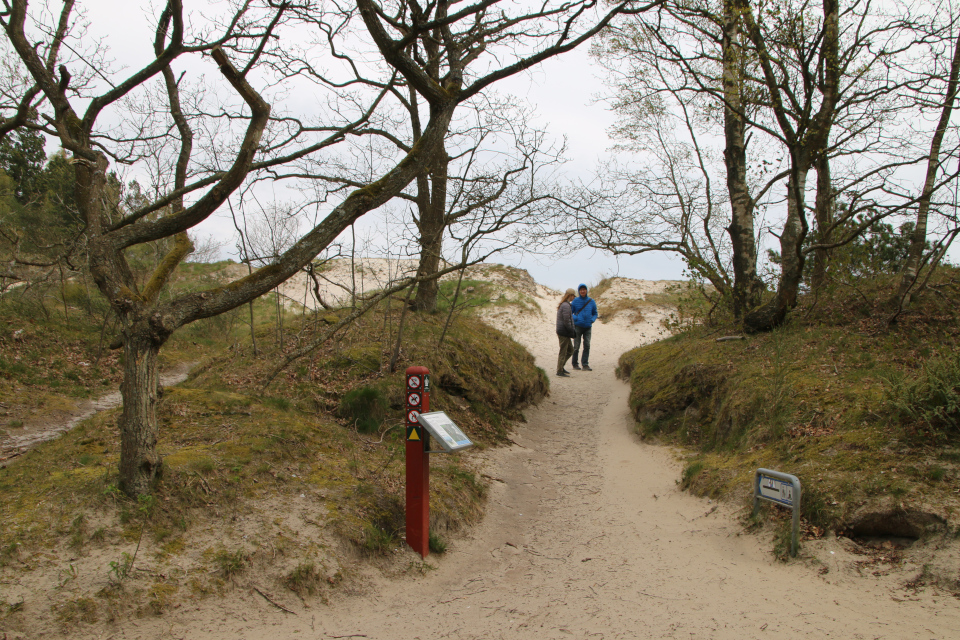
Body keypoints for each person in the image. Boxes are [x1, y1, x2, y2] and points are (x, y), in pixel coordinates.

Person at [570, 283, 598, 371]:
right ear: (579, 291)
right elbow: (570, 313)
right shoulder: (575, 301)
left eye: (584, 289)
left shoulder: (591, 301)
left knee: (587, 345)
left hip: (588, 327)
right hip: (578, 326)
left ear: (586, 290)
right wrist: (576, 318)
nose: (582, 291)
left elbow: (595, 313)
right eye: (581, 290)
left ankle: (585, 364)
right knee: (576, 346)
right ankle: (575, 364)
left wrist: (592, 319)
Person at [555, 288, 577, 377]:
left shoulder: (565, 305)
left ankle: (561, 367)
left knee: (570, 350)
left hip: (563, 331)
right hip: (563, 332)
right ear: (570, 296)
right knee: (563, 351)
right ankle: (559, 370)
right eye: (573, 296)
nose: (574, 298)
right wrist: (571, 331)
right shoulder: (566, 306)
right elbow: (567, 321)